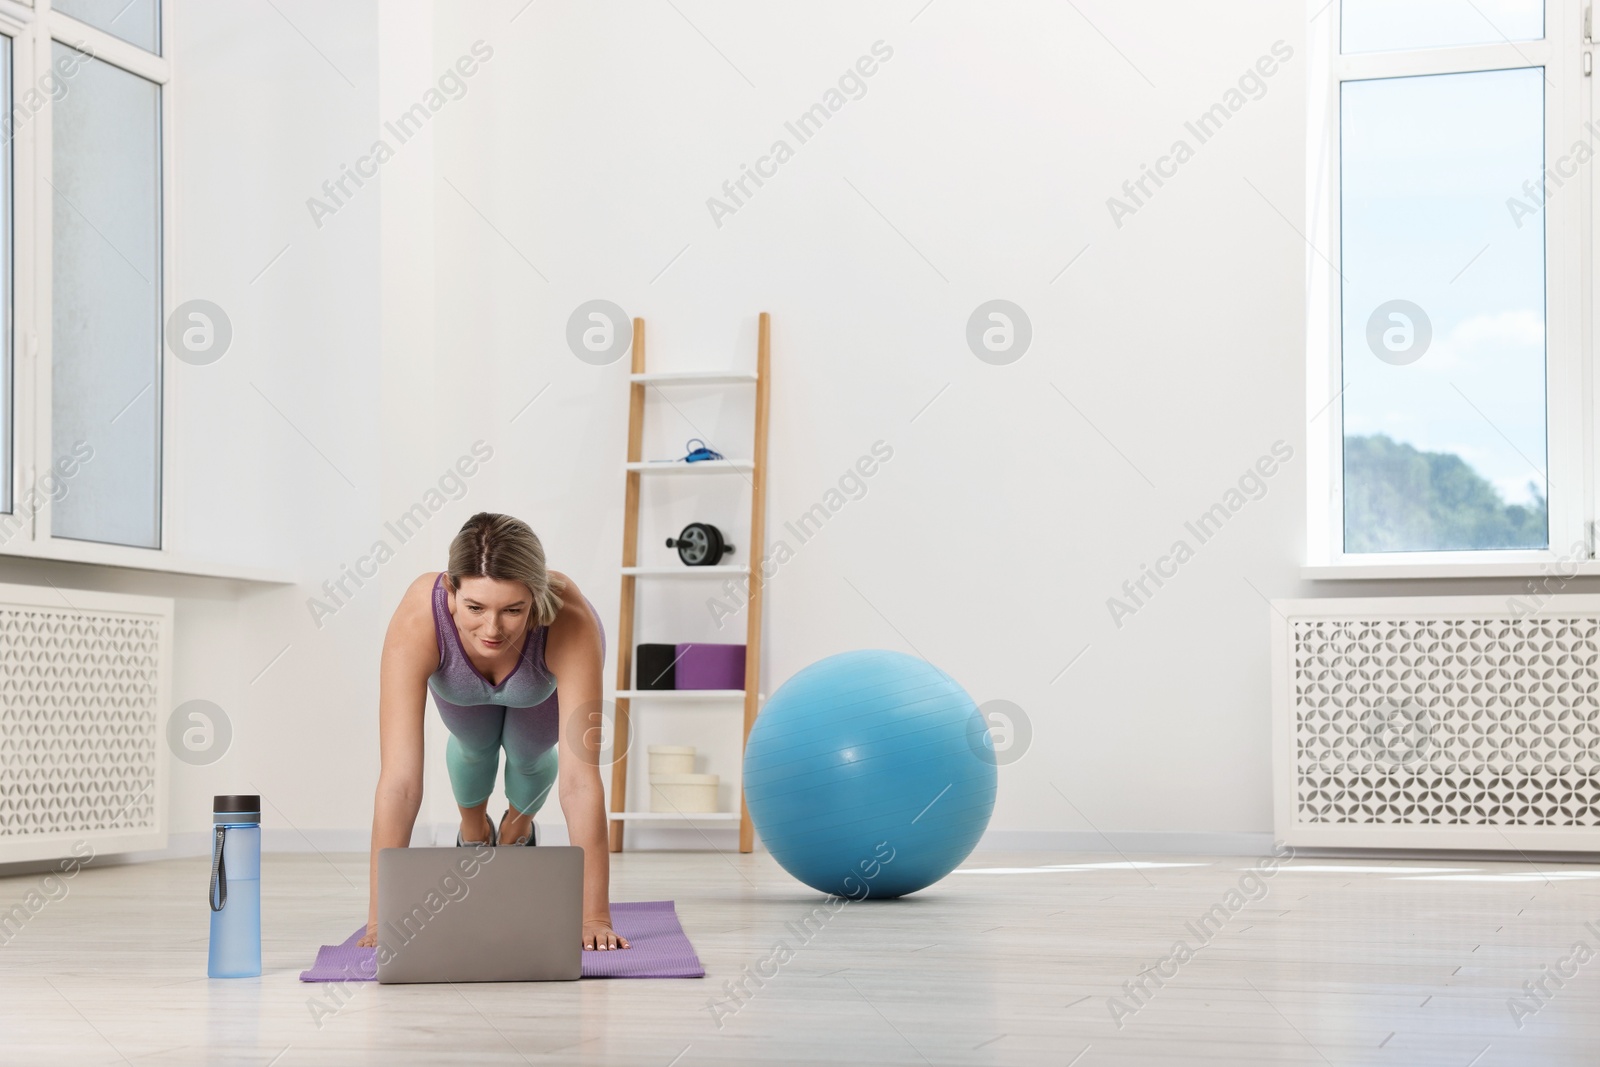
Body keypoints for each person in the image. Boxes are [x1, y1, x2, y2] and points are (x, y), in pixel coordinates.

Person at [358, 512, 630, 951]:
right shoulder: (418, 621)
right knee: (474, 749)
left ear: (536, 598)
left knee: (528, 756)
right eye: (475, 608)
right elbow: (400, 784)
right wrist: (379, 919)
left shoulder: (568, 620)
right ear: (451, 590)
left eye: (513, 610)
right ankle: (474, 833)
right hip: (460, 686)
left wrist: (594, 916)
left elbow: (581, 784)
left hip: (536, 688)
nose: (492, 629)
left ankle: (515, 833)